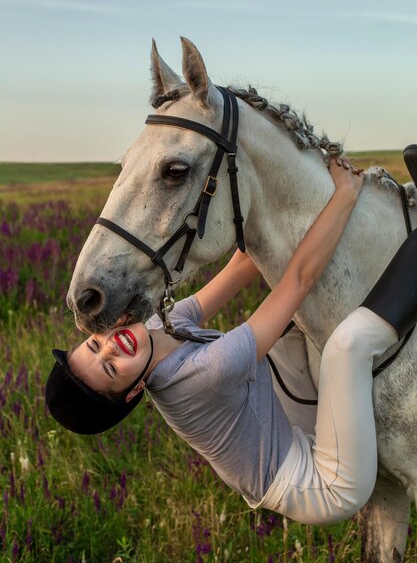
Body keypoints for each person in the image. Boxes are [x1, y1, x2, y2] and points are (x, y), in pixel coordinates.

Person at [45, 158, 417, 526]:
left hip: (287, 423)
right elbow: (297, 281)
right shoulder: (200, 378)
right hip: (324, 487)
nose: (113, 348)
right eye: (111, 368)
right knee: (344, 346)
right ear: (134, 390)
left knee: (303, 323)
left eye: (95, 347)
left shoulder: (160, 327)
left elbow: (242, 267)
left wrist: (263, 195)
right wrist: (344, 195)